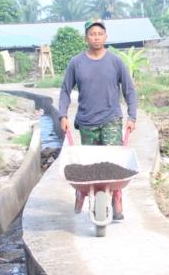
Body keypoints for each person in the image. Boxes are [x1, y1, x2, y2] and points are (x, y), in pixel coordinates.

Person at [58, 18, 138, 220]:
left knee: (113, 163)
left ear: (106, 37)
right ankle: (82, 191)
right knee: (91, 167)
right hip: (86, 121)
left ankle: (117, 197)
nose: (96, 37)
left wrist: (132, 116)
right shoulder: (76, 62)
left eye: (100, 34)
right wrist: (63, 114)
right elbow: (65, 90)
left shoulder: (115, 61)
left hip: (111, 119)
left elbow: (129, 90)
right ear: (86, 37)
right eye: (92, 34)